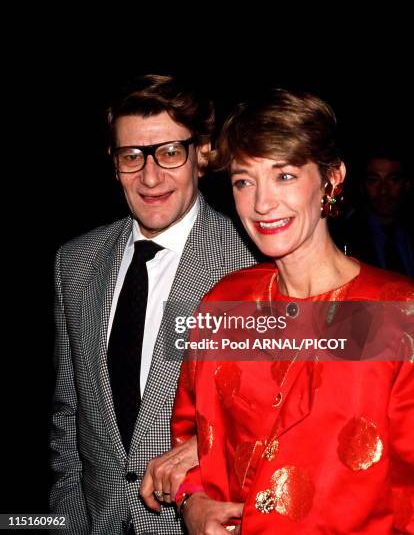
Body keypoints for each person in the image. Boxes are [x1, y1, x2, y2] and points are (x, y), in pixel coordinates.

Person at [171, 88, 414, 533]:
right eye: (244, 181)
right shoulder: (225, 304)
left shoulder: (399, 315)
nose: (262, 203)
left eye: (284, 176)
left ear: (331, 179)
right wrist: (194, 502)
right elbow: (190, 433)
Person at [49, 75, 257, 535]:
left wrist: (211, 445)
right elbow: (68, 416)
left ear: (201, 153)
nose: (149, 177)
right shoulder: (75, 262)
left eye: (168, 152)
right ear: (113, 161)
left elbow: (304, 411)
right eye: (131, 156)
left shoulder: (251, 264)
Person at [332, 151, 414, 276]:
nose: (383, 190)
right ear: (362, 186)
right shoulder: (342, 238)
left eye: (393, 180)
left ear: (407, 184)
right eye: (373, 180)